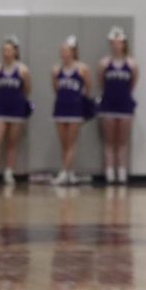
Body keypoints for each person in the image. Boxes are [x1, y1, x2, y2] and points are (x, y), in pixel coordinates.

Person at [0, 37, 31, 185]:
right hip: (0, 109)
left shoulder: (23, 70)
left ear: (15, 51)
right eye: (4, 50)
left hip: (16, 109)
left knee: (12, 142)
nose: (6, 53)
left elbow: (27, 89)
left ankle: (9, 172)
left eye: (9, 50)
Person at [98, 26, 138, 184]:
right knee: (109, 141)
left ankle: (121, 172)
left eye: (119, 42)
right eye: (113, 42)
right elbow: (101, 83)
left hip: (125, 106)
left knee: (122, 141)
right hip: (108, 105)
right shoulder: (104, 63)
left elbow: (133, 83)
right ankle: (109, 172)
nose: (116, 45)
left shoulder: (131, 64)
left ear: (124, 44)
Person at [52, 36, 92, 186]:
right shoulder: (56, 69)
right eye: (62, 51)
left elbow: (88, 88)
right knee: (64, 143)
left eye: (66, 51)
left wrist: (81, 102)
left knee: (71, 142)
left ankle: (65, 172)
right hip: (60, 108)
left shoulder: (82, 68)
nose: (63, 53)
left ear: (73, 52)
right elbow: (56, 88)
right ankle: (68, 172)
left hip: (76, 109)